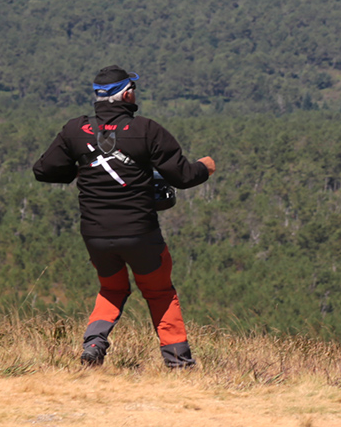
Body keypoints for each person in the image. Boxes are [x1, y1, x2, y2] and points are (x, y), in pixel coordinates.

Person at [33, 65, 215, 368]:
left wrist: (80, 168)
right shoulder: (147, 129)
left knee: (112, 289)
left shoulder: (75, 130)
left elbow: (43, 170)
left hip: (95, 235)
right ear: (126, 93)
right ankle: (179, 363)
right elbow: (182, 176)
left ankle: (93, 345)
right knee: (159, 292)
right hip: (140, 233)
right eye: (133, 89)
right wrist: (204, 167)